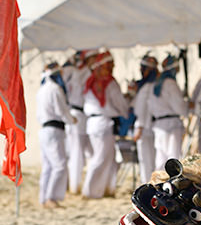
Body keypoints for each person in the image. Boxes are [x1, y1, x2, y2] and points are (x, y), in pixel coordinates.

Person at [81, 52, 129, 199]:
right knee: (101, 158)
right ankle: (90, 191)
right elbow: (120, 104)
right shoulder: (110, 83)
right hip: (103, 123)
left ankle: (105, 189)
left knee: (109, 158)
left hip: (94, 123)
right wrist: (127, 110)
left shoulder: (90, 81)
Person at [139, 54, 189, 173]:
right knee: (173, 157)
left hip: (159, 125)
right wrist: (188, 107)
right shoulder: (170, 83)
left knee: (161, 159)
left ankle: (160, 185)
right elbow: (180, 107)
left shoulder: (156, 83)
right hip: (171, 124)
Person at [36, 62, 76, 208]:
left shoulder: (42, 90)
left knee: (48, 166)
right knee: (59, 165)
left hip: (45, 130)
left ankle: (44, 197)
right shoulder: (55, 89)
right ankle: (51, 198)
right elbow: (61, 111)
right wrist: (72, 120)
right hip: (54, 130)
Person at [65, 49, 98, 193]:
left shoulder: (80, 72)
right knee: (76, 152)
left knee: (89, 152)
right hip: (77, 114)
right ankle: (74, 186)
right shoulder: (84, 73)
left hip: (82, 116)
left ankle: (79, 184)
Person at [131, 54, 159, 183]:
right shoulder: (149, 86)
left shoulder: (147, 87)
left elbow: (141, 108)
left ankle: (147, 184)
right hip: (149, 127)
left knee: (146, 160)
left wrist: (140, 127)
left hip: (144, 128)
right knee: (149, 159)